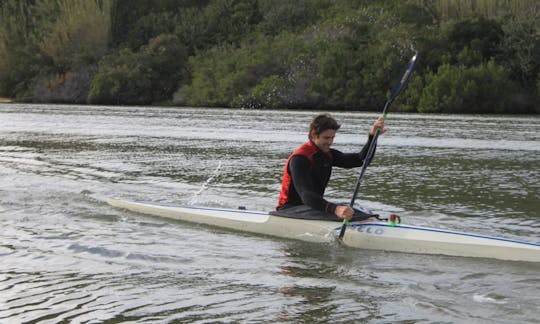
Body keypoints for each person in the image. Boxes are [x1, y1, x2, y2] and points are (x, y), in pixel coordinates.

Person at [276, 113, 385, 220]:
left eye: (332, 137)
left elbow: (362, 160)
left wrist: (372, 137)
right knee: (348, 212)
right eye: (326, 138)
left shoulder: (328, 154)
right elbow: (306, 195)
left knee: (356, 208)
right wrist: (335, 209)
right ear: (314, 135)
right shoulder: (300, 158)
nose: (330, 142)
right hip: (289, 210)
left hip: (311, 207)